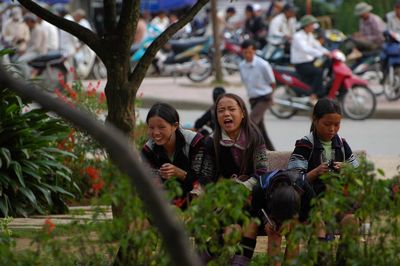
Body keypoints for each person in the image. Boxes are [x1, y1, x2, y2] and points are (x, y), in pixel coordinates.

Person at [287, 98, 359, 263]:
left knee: (351, 221)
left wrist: (347, 169)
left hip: (338, 201)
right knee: (319, 223)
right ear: (315, 120)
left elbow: (357, 172)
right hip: (312, 203)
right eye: (327, 124)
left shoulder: (341, 144)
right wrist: (316, 172)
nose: (332, 129)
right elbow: (293, 178)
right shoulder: (305, 145)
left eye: (337, 124)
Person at [201, 93, 268, 265]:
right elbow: (206, 176)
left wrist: (242, 187)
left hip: (252, 199)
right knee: (232, 231)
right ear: (216, 116)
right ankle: (196, 260)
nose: (226, 114)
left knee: (251, 226)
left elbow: (261, 172)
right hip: (223, 202)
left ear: (243, 113)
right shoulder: (211, 142)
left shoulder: (255, 137)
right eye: (221, 110)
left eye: (231, 109)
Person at [141, 102, 211, 209]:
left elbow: (204, 179)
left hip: (197, 199)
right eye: (151, 127)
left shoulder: (195, 142)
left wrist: (179, 173)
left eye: (161, 127)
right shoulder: (148, 150)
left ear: (175, 126)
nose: (155, 133)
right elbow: (151, 184)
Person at [251, 169, 315, 266]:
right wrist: (266, 221)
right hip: (270, 215)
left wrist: (298, 222)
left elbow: (313, 210)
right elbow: (256, 210)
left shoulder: (303, 186)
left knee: (294, 234)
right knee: (274, 233)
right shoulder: (260, 188)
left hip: (296, 215)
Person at [239, 40, 276, 151]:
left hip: (264, 97)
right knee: (260, 128)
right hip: (253, 98)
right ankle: (270, 151)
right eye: (245, 52)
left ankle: (248, 149)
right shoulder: (241, 65)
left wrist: (271, 96)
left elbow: (272, 82)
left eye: (250, 52)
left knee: (251, 122)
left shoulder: (263, 64)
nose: (247, 55)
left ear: (254, 51)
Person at [290, 15, 330, 103]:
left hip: (309, 61)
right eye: (312, 25)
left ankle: (321, 92)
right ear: (306, 26)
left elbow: (317, 46)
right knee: (318, 72)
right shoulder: (298, 37)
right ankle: (314, 95)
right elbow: (306, 49)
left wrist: (327, 52)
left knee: (326, 66)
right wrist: (322, 53)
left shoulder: (309, 35)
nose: (313, 27)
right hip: (301, 64)